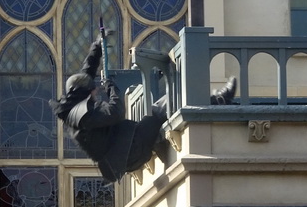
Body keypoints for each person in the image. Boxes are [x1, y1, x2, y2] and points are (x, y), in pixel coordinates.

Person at [52, 38, 236, 181]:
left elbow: (86, 74)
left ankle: (157, 139)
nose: (95, 90)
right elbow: (115, 112)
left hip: (126, 149)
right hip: (129, 155)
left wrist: (97, 48)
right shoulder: (83, 118)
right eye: (93, 89)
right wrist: (113, 89)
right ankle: (219, 99)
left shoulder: (74, 104)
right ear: (84, 92)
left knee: (154, 114)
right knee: (158, 110)